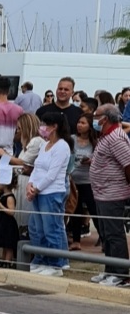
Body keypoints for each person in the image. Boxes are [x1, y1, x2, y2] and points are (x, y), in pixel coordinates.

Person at [24, 113, 73, 276]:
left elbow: (52, 174)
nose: (42, 127)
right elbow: (37, 167)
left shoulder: (62, 146)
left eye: (45, 124)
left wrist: (36, 188)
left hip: (51, 192)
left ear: (54, 126)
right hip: (38, 191)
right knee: (39, 229)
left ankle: (55, 263)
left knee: (51, 228)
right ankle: (42, 258)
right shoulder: (45, 145)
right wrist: (30, 185)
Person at [87, 105, 130, 285]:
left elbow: (128, 164)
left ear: (105, 118)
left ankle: (121, 274)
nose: (94, 119)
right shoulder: (105, 136)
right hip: (102, 193)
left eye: (96, 116)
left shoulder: (116, 138)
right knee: (105, 233)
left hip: (113, 194)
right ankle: (109, 269)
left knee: (114, 233)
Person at [67, 114, 98, 249]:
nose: (79, 125)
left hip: (88, 180)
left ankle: (103, 237)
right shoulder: (72, 139)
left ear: (90, 126)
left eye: (83, 123)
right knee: (75, 210)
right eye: (79, 122)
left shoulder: (95, 142)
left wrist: (91, 160)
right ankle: (76, 241)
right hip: (74, 180)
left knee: (93, 210)